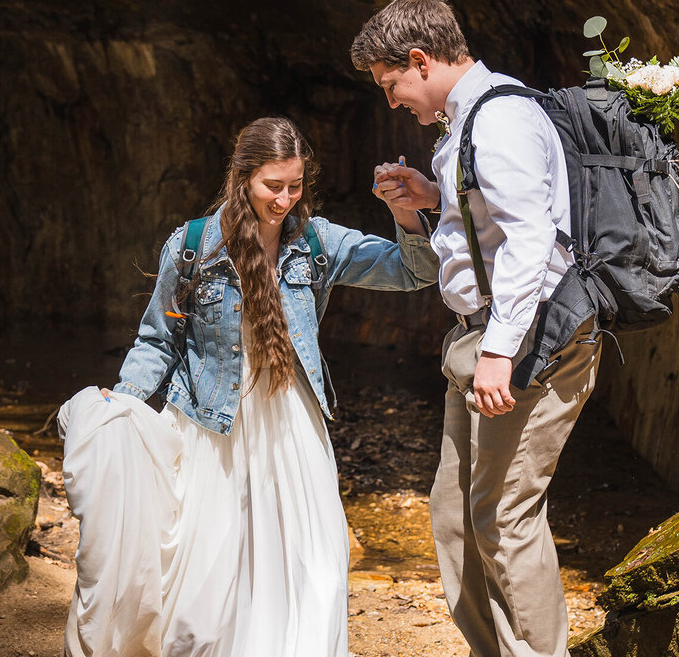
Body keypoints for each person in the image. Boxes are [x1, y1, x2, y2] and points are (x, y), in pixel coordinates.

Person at [57, 115, 439, 657]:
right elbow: (157, 341)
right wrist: (122, 402)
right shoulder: (192, 248)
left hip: (292, 429)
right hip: (210, 430)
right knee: (205, 592)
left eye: (295, 186)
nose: (284, 199)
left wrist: (405, 212)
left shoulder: (317, 243)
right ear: (242, 179)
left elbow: (413, 271)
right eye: (272, 186)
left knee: (314, 565)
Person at [351, 0, 603, 657]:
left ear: (419, 59)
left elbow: (531, 242)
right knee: (456, 517)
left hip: (529, 343)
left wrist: (500, 352)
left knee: (504, 517)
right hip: (482, 337)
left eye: (391, 85)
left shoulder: (499, 119)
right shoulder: (473, 120)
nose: (392, 102)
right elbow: (495, 223)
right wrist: (433, 201)